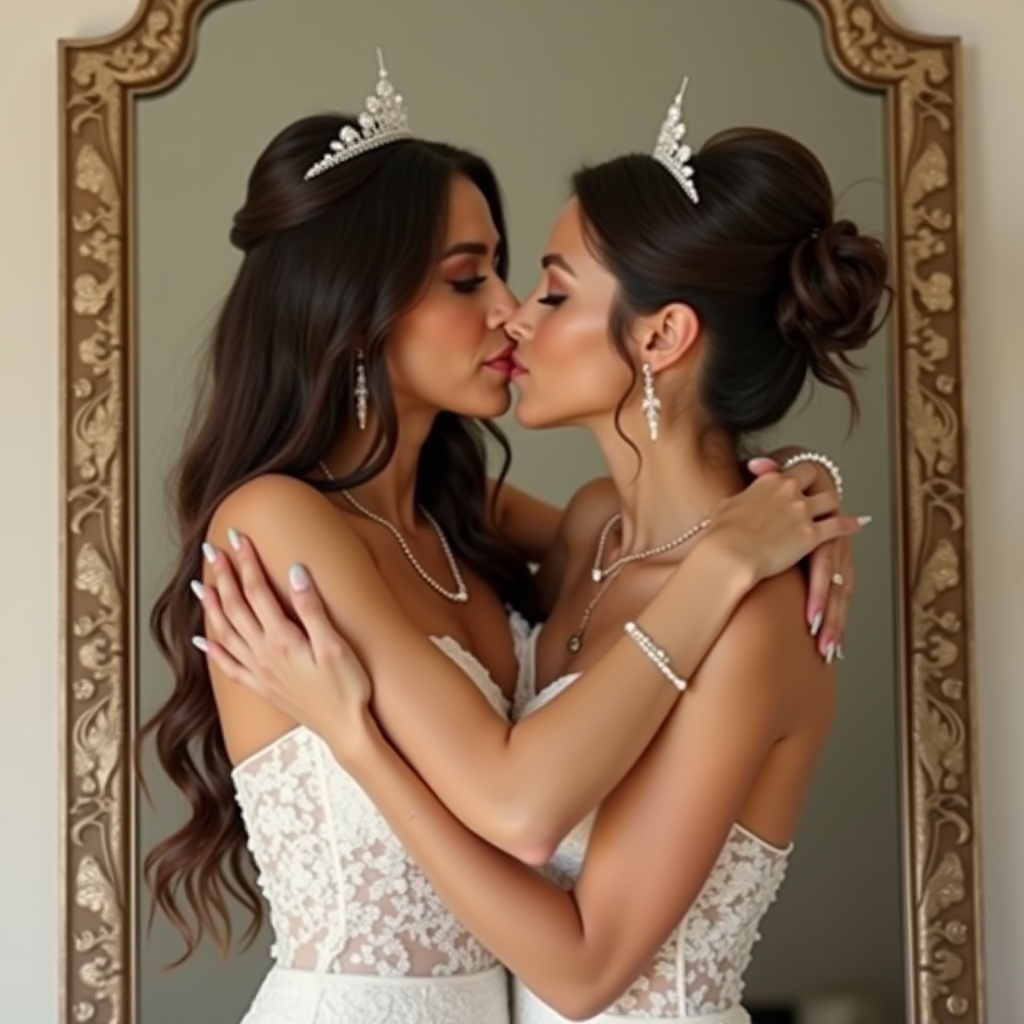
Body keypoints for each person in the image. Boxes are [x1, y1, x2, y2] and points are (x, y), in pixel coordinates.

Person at [144, 56, 862, 1024]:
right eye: (469, 277)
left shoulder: (473, 526)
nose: (510, 312)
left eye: (537, 286)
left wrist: (799, 492)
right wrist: (734, 550)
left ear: (659, 338)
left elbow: (684, 510)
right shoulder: (289, 519)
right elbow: (523, 808)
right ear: (356, 310)